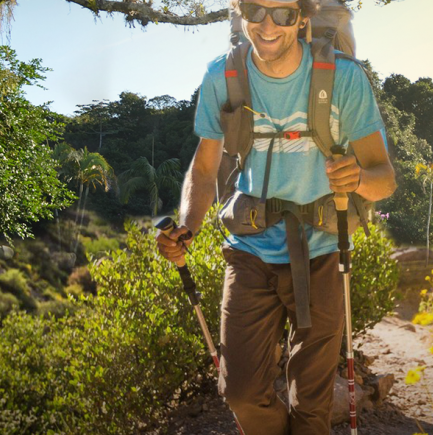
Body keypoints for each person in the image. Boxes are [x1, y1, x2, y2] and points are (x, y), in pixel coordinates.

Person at [156, 0, 396, 433]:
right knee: (241, 393)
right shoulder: (222, 76)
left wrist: (357, 176)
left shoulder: (342, 78)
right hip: (249, 250)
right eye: (254, 10)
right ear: (240, 12)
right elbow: (205, 168)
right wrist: (187, 225)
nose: (267, 24)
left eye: (283, 13)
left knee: (312, 406)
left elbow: (385, 180)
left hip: (322, 251)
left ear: (303, 17)